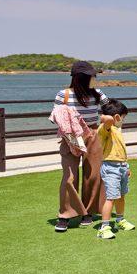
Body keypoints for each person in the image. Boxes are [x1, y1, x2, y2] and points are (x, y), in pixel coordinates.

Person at [54, 61, 109, 232]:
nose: (95, 78)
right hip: (70, 136)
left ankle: (88, 212)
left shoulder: (97, 93)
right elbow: (56, 116)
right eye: (92, 76)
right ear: (81, 78)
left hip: (92, 135)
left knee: (93, 175)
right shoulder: (63, 95)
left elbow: (109, 108)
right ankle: (65, 214)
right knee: (69, 177)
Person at [97, 100, 135, 239]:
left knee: (121, 195)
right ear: (117, 117)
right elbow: (107, 120)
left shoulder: (118, 131)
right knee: (111, 197)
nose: (123, 121)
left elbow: (121, 150)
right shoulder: (104, 129)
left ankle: (119, 220)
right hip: (110, 167)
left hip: (121, 166)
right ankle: (104, 226)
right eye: (122, 117)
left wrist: (127, 166)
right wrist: (107, 117)